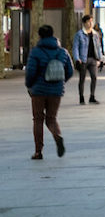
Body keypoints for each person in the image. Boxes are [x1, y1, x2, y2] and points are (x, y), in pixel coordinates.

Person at [24, 25, 73, 160]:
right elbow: (69, 71)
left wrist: (29, 86)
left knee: (38, 119)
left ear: (39, 36)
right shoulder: (63, 52)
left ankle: (38, 151)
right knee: (51, 118)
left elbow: (31, 72)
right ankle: (57, 136)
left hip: (38, 91)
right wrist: (60, 83)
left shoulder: (36, 52)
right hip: (56, 91)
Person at [71, 15, 104, 105]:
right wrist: (77, 58)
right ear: (84, 23)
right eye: (89, 21)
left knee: (94, 77)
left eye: (92, 21)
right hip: (83, 59)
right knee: (82, 79)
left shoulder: (95, 34)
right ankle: (81, 97)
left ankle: (92, 96)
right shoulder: (79, 34)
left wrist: (100, 59)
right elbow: (75, 47)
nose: (91, 23)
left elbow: (98, 47)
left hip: (93, 59)